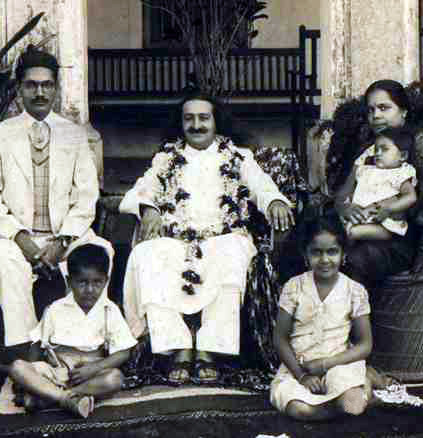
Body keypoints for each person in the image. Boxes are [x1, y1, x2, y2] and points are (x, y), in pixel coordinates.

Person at [120, 92, 294, 384]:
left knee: (232, 252)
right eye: (189, 118)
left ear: (216, 121)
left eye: (204, 118)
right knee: (146, 254)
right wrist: (148, 208)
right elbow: (137, 193)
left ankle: (210, 352)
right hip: (176, 239)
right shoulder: (166, 158)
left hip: (224, 236)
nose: (197, 125)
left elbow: (262, 187)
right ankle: (178, 348)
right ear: (181, 123)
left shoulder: (238, 156)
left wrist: (275, 201)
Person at [0, 45, 114, 363]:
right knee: (3, 262)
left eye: (47, 84)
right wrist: (21, 239)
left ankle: (85, 347)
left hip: (66, 235)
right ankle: (28, 352)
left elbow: (86, 195)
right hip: (17, 237)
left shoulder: (75, 135)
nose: (40, 92)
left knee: (102, 251)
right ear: (20, 89)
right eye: (31, 84)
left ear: (56, 88)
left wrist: (63, 240)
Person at [333, 79, 423, 287]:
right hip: (362, 226)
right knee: (318, 241)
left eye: (384, 108)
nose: (375, 116)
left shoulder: (420, 141)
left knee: (352, 256)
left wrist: (375, 210)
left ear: (403, 111)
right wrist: (346, 207)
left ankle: (355, 316)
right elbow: (344, 190)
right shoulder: (373, 146)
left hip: (401, 237)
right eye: (371, 110)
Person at [9, 244, 136, 418]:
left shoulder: (109, 310)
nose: (90, 290)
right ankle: (65, 398)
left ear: (106, 281)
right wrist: (31, 371)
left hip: (90, 375)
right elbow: (37, 343)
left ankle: (48, 397)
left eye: (97, 282)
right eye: (82, 282)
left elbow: (123, 353)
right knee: (17, 367)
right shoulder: (56, 309)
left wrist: (94, 368)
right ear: (69, 281)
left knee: (115, 379)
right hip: (57, 371)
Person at [271, 216, 373, 420]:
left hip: (338, 365)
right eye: (316, 252)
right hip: (298, 368)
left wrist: (327, 364)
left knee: (352, 404)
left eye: (332, 252)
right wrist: (302, 376)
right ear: (306, 255)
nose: (325, 260)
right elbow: (280, 338)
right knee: (299, 409)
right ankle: (348, 401)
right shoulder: (294, 287)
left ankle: (358, 390)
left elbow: (365, 345)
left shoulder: (354, 290)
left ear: (343, 254)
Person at [342, 127, 417, 242]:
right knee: (339, 229)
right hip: (361, 216)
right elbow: (357, 190)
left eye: (384, 149)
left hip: (385, 223)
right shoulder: (367, 170)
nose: (378, 153)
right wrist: (349, 203)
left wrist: (389, 209)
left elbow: (411, 197)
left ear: (402, 156)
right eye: (376, 150)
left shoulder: (400, 174)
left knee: (350, 233)